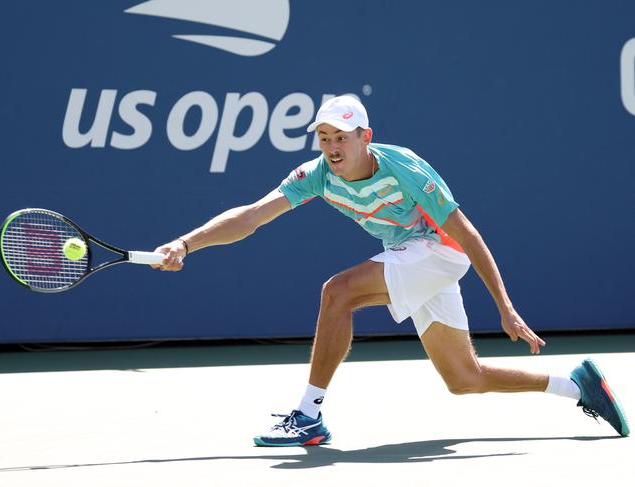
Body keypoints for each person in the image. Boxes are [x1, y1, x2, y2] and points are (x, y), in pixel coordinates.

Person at [153, 95, 630, 445]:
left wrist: (505, 308)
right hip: (409, 255)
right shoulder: (316, 174)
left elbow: (467, 234)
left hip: (439, 251)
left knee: (338, 292)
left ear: (365, 137)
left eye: (342, 137)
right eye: (325, 138)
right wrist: (186, 243)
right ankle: (579, 385)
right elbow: (252, 216)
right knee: (464, 377)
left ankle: (308, 414)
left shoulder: (405, 170)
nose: (332, 147)